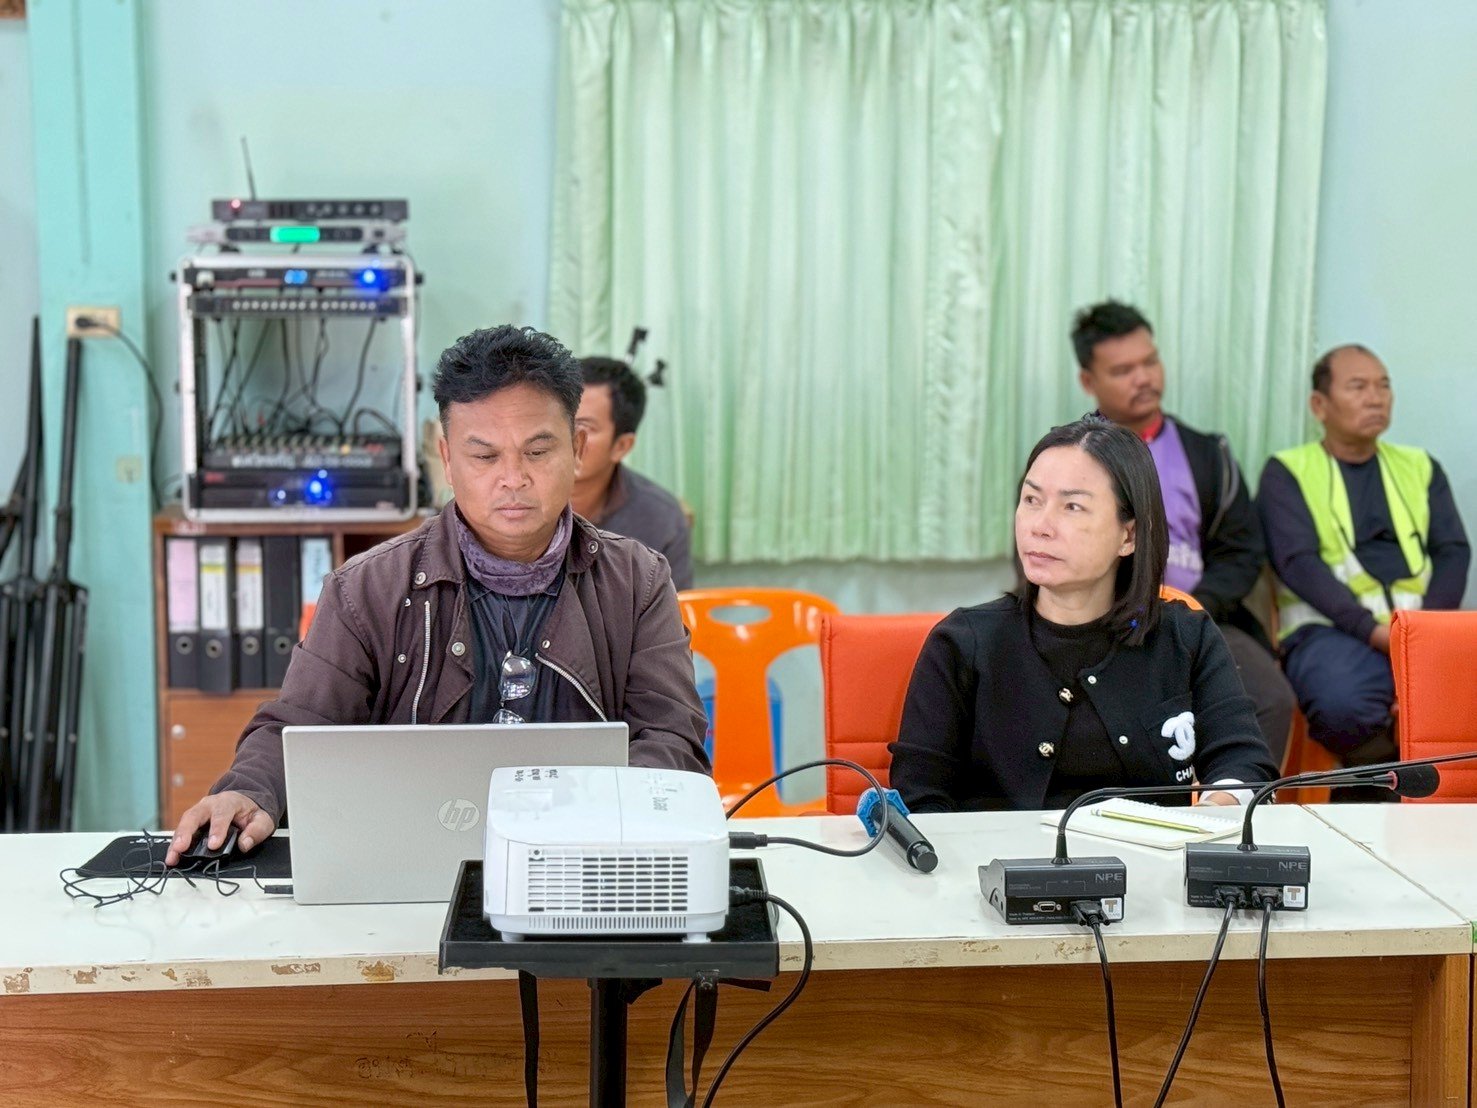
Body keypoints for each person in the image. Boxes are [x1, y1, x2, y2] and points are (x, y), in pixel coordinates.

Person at [167, 325, 710, 865]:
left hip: (585, 867)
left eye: (537, 451)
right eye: (485, 457)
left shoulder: (638, 582)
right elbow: (298, 725)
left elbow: (672, 737)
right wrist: (249, 790)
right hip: (404, 864)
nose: (513, 478)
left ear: (576, 449)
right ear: (448, 460)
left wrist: (612, 824)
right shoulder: (365, 588)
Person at [890, 417, 1278, 813]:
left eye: (1072, 507)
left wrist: (1211, 813)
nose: (1040, 526)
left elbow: (1244, 765)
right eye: (1031, 500)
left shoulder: (1186, 637)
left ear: (1129, 535)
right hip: (995, 854)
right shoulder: (963, 643)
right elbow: (919, 799)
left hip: (1149, 853)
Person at [1070, 300, 1295, 764]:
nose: (1144, 378)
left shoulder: (1208, 454)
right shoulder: (1068, 461)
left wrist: (1195, 607)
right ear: (1089, 382)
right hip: (1101, 624)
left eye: (1150, 361)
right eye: (1123, 370)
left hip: (1200, 617)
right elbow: (1045, 551)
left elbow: (1241, 552)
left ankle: (1237, 801)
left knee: (1271, 699)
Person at [1257, 344, 1470, 777]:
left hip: (1421, 630)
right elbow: (1298, 563)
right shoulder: (1288, 471)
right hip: (1331, 631)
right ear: (1319, 405)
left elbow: (1453, 551)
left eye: (1383, 386)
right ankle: (1378, 784)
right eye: (1358, 387)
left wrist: (1423, 639)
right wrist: (1379, 635)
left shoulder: (1420, 466)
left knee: (1462, 702)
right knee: (1343, 704)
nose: (1376, 398)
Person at [571, 356, 693, 590]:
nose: (563, 435)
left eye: (584, 426)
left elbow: (676, 609)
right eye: (558, 419)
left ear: (621, 446)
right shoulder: (510, 495)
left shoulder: (661, 519)